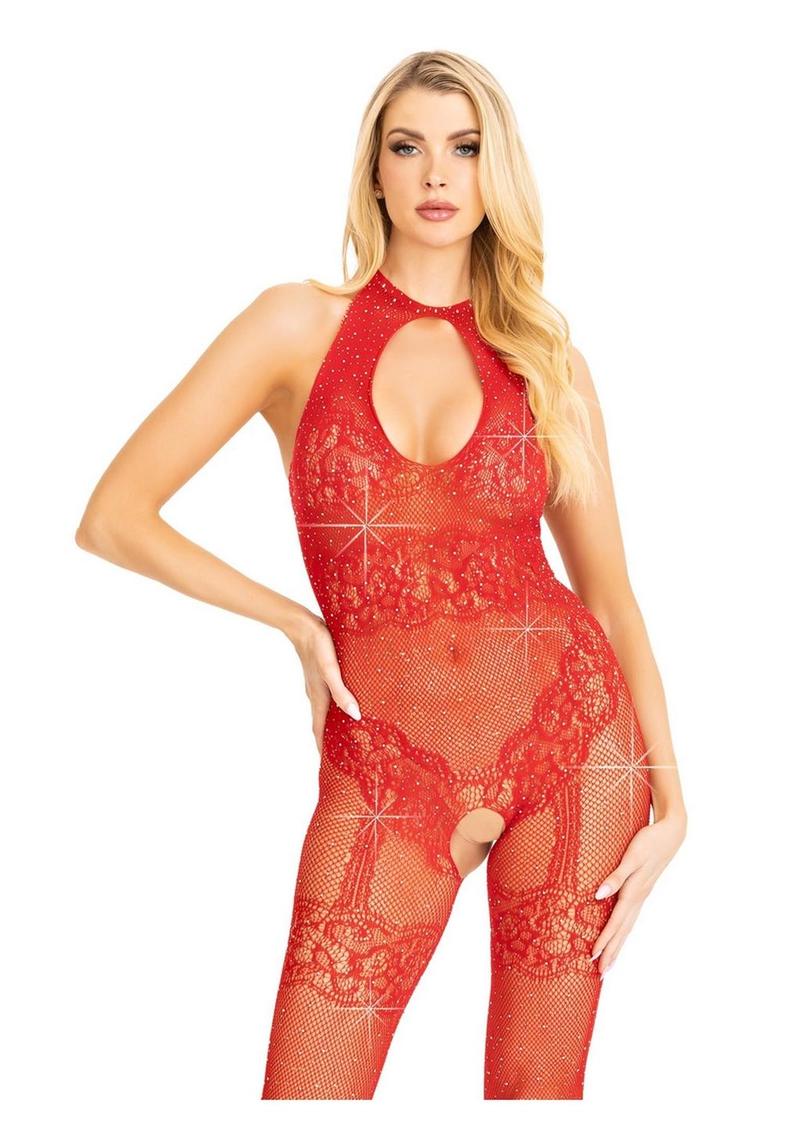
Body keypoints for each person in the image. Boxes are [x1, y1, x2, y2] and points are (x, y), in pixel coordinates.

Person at [75, 49, 687, 1101]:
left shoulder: (548, 361)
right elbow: (114, 517)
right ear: (375, 171)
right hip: (387, 768)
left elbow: (609, 596)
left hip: (577, 746)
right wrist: (297, 624)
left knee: (536, 1095)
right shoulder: (295, 325)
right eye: (408, 147)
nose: (436, 174)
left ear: (496, 172)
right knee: (305, 1098)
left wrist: (671, 795)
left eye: (465, 148)